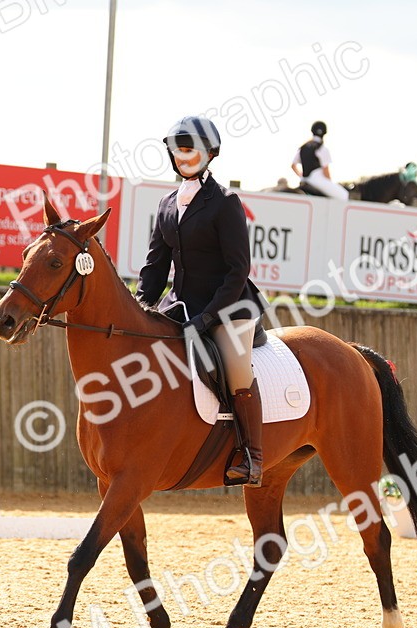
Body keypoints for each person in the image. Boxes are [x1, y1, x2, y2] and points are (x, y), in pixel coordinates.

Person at [136, 116, 267, 486]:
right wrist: (139, 306)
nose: (183, 156)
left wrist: (208, 318)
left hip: (229, 306)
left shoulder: (225, 202)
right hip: (180, 305)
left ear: (210, 153)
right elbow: (154, 267)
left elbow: (237, 269)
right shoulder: (166, 204)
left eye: (190, 148)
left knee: (237, 370)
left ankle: (253, 457)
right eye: (178, 149)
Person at [291, 121, 349, 200]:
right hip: (318, 181)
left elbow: (293, 165)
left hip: (304, 180)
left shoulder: (303, 147)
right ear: (324, 133)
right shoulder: (322, 149)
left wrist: (301, 176)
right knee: (344, 195)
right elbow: (326, 172)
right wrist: (329, 183)